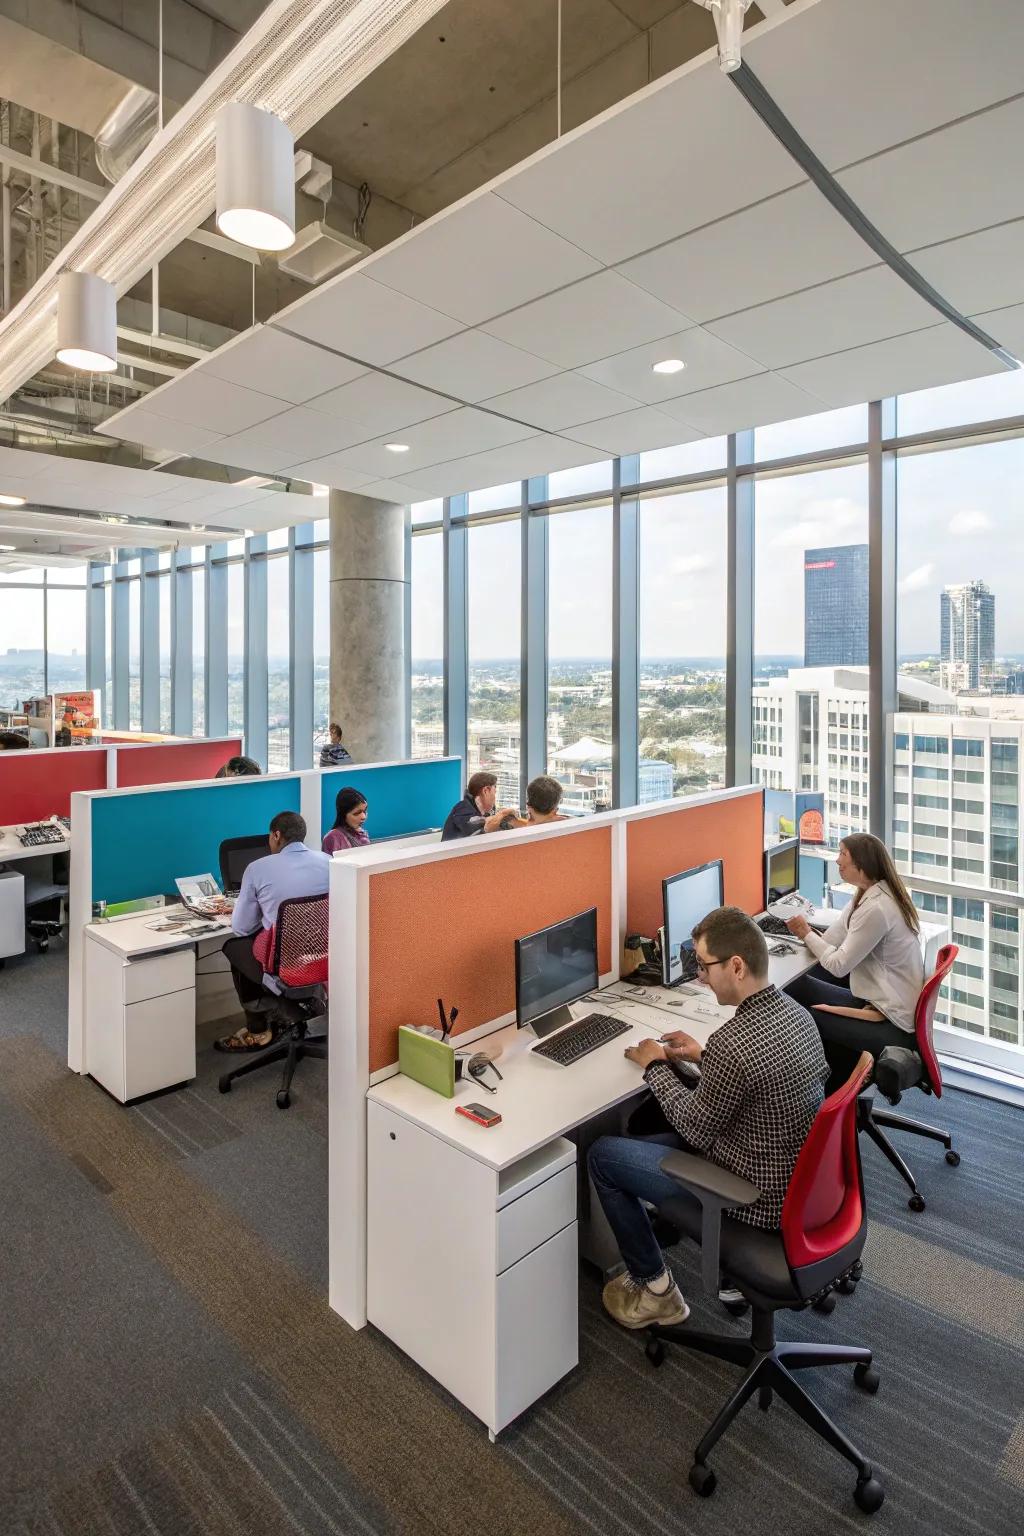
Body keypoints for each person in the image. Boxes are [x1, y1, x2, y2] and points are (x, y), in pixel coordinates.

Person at [588, 905, 827, 1331]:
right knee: (637, 1143)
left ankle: (656, 1291)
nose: (699, 976)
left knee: (604, 1156)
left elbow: (694, 1127)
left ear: (736, 966)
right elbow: (752, 1081)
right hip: (793, 1181)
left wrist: (655, 1065)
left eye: (704, 966)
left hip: (747, 1194)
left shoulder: (735, 1043)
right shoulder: (798, 1016)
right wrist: (702, 1055)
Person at [785, 832, 924, 1094]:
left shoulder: (877, 908)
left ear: (862, 864)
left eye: (842, 855)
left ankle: (830, 1099)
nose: (837, 861)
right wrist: (805, 933)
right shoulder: (866, 894)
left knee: (807, 1018)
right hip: (875, 1002)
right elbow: (832, 938)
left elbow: (838, 965)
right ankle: (838, 1084)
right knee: (797, 988)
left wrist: (805, 932)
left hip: (890, 1021)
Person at [216, 811, 330, 1052]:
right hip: (322, 955)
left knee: (236, 947)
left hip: (283, 961)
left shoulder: (258, 868)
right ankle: (304, 1005)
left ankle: (259, 1027)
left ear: (276, 835)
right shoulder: (327, 860)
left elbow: (241, 927)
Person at [441, 771, 521, 840]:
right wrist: (503, 814)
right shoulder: (462, 809)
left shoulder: (483, 811)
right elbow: (478, 830)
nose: (494, 797)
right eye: (494, 792)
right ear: (486, 791)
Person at [322, 787, 370, 853]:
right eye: (356, 813)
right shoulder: (333, 837)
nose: (363, 817)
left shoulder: (362, 834)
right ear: (343, 814)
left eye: (365, 811)